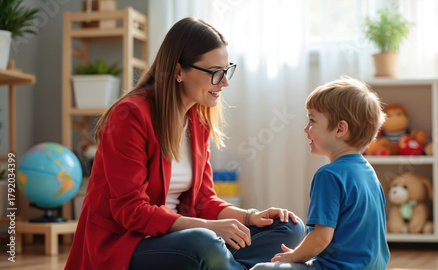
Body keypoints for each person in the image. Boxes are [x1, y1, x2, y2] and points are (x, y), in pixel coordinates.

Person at [65, 17, 304, 270]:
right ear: (178, 71)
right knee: (205, 243)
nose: (225, 82)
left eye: (226, 70)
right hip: (127, 244)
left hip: (182, 238)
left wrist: (249, 216)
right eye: (215, 73)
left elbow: (203, 200)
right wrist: (210, 228)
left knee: (289, 227)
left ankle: (222, 265)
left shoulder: (197, 118)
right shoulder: (130, 116)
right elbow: (131, 211)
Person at [252, 77, 390, 270]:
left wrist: (293, 256)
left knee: (261, 269)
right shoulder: (368, 172)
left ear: (340, 129)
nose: (305, 129)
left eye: (312, 121)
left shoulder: (329, 175)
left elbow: (321, 237)